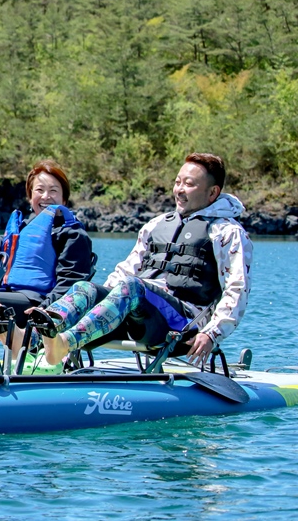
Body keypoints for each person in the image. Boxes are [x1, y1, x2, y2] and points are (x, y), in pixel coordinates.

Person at [31, 153, 253, 369]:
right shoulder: (156, 225)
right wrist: (98, 299)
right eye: (177, 182)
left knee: (132, 287)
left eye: (189, 184)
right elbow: (126, 270)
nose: (180, 190)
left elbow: (237, 289)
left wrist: (212, 333)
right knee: (85, 288)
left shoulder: (227, 233)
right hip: (140, 314)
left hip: (183, 324)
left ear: (213, 192)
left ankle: (65, 344)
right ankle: (32, 338)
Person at [0, 160, 94, 330]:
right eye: (39, 190)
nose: (45, 196)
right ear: (30, 198)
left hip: (36, 302)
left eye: (53, 191)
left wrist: (45, 308)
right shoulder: (21, 229)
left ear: (64, 199)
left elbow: (72, 281)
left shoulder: (72, 234)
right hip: (6, 296)